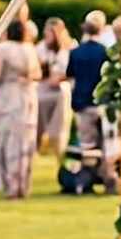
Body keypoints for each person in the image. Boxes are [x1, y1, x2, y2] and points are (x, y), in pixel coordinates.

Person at [0, 18, 41, 198]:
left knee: (6, 140)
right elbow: (37, 73)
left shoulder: (3, 49)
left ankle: (10, 186)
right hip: (27, 96)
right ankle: (23, 185)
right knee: (24, 142)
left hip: (8, 96)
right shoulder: (30, 49)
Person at [68, 11, 113, 185]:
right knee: (104, 143)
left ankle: (86, 180)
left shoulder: (76, 52)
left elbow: (71, 76)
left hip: (82, 102)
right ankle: (105, 176)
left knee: (87, 144)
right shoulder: (105, 52)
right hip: (101, 102)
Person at [35, 17, 74, 162]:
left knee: (60, 122)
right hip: (43, 88)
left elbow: (66, 72)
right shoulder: (40, 48)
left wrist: (59, 78)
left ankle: (59, 149)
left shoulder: (67, 49)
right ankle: (36, 147)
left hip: (60, 90)